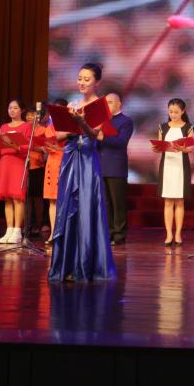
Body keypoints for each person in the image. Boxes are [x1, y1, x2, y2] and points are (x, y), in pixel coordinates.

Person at [48, 63, 116, 282]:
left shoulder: (100, 106)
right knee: (67, 207)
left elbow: (94, 135)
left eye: (87, 79)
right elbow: (59, 136)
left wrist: (81, 122)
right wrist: (70, 122)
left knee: (87, 208)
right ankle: (66, 265)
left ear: (97, 82)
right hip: (70, 158)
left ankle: (86, 266)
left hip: (87, 159)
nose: (82, 82)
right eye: (80, 78)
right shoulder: (72, 104)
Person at [99, 91, 134, 246]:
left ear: (119, 103)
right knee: (106, 203)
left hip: (116, 167)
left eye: (111, 102)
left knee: (117, 203)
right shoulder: (102, 121)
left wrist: (103, 137)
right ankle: (109, 233)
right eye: (105, 103)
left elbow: (121, 142)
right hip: (101, 166)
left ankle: (119, 235)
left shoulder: (126, 121)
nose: (107, 105)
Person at [158, 98, 194, 247]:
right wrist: (157, 148)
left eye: (176, 112)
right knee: (168, 201)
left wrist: (182, 148)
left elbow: (190, 148)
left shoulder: (188, 127)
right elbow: (160, 145)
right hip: (167, 166)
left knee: (179, 201)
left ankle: (178, 233)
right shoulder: (163, 127)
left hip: (181, 166)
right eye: (171, 111)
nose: (173, 115)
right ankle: (169, 234)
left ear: (183, 111)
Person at [0, 99, 30, 244]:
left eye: (15, 108)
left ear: (22, 110)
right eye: (10, 108)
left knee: (17, 197)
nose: (12, 110)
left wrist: (16, 146)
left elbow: (29, 146)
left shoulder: (26, 126)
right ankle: (9, 229)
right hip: (5, 161)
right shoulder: (3, 127)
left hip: (18, 161)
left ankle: (17, 230)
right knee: (7, 197)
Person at [41, 98, 68, 245]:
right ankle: (53, 232)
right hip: (52, 163)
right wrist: (45, 148)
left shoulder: (71, 126)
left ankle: (64, 233)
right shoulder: (50, 127)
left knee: (64, 199)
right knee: (52, 200)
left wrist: (60, 149)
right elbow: (47, 144)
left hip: (66, 163)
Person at [25, 107, 47, 237]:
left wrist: (35, 147)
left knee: (37, 197)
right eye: (28, 115)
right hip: (25, 165)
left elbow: (46, 148)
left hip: (38, 165)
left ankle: (38, 225)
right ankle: (27, 225)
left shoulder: (43, 130)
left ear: (38, 117)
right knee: (27, 197)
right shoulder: (24, 129)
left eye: (32, 115)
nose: (29, 117)